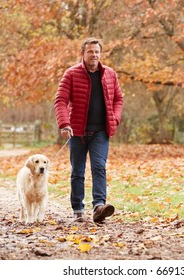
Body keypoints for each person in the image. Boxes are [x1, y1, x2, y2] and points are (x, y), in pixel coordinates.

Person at [54, 37, 123, 223]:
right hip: (77, 131)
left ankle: (99, 207)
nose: (94, 55)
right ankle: (78, 209)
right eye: (90, 51)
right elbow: (60, 100)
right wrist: (64, 124)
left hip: (101, 131)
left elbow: (118, 99)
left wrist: (115, 119)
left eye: (97, 52)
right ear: (83, 54)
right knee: (78, 171)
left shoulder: (110, 74)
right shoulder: (71, 74)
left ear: (101, 54)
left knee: (99, 167)